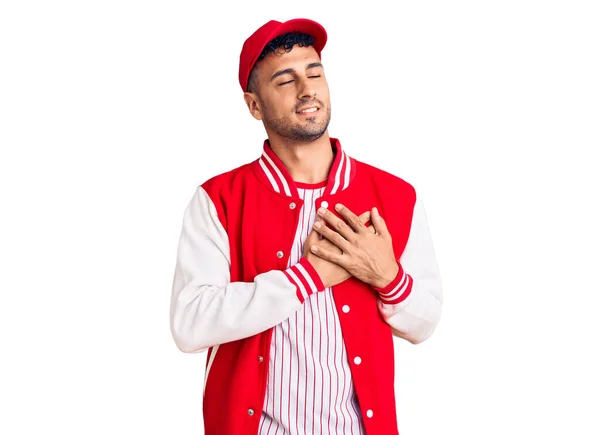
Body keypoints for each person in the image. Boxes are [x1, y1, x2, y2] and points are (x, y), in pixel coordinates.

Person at [170, 18, 443, 435]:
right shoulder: (218, 200)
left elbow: (424, 322)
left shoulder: (395, 196)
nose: (307, 89)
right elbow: (190, 325)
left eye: (314, 72)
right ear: (254, 105)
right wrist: (307, 277)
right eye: (285, 80)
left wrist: (385, 276)